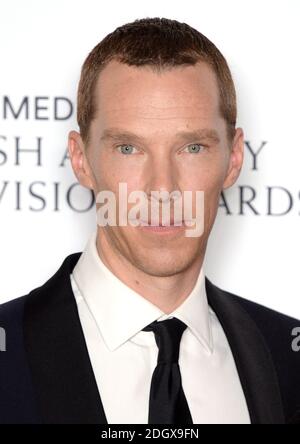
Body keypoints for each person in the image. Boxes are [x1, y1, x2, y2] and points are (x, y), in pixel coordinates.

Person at [0, 17, 299, 425]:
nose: (163, 188)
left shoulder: (288, 356)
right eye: (128, 148)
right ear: (80, 159)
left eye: (192, 147)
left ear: (233, 159)